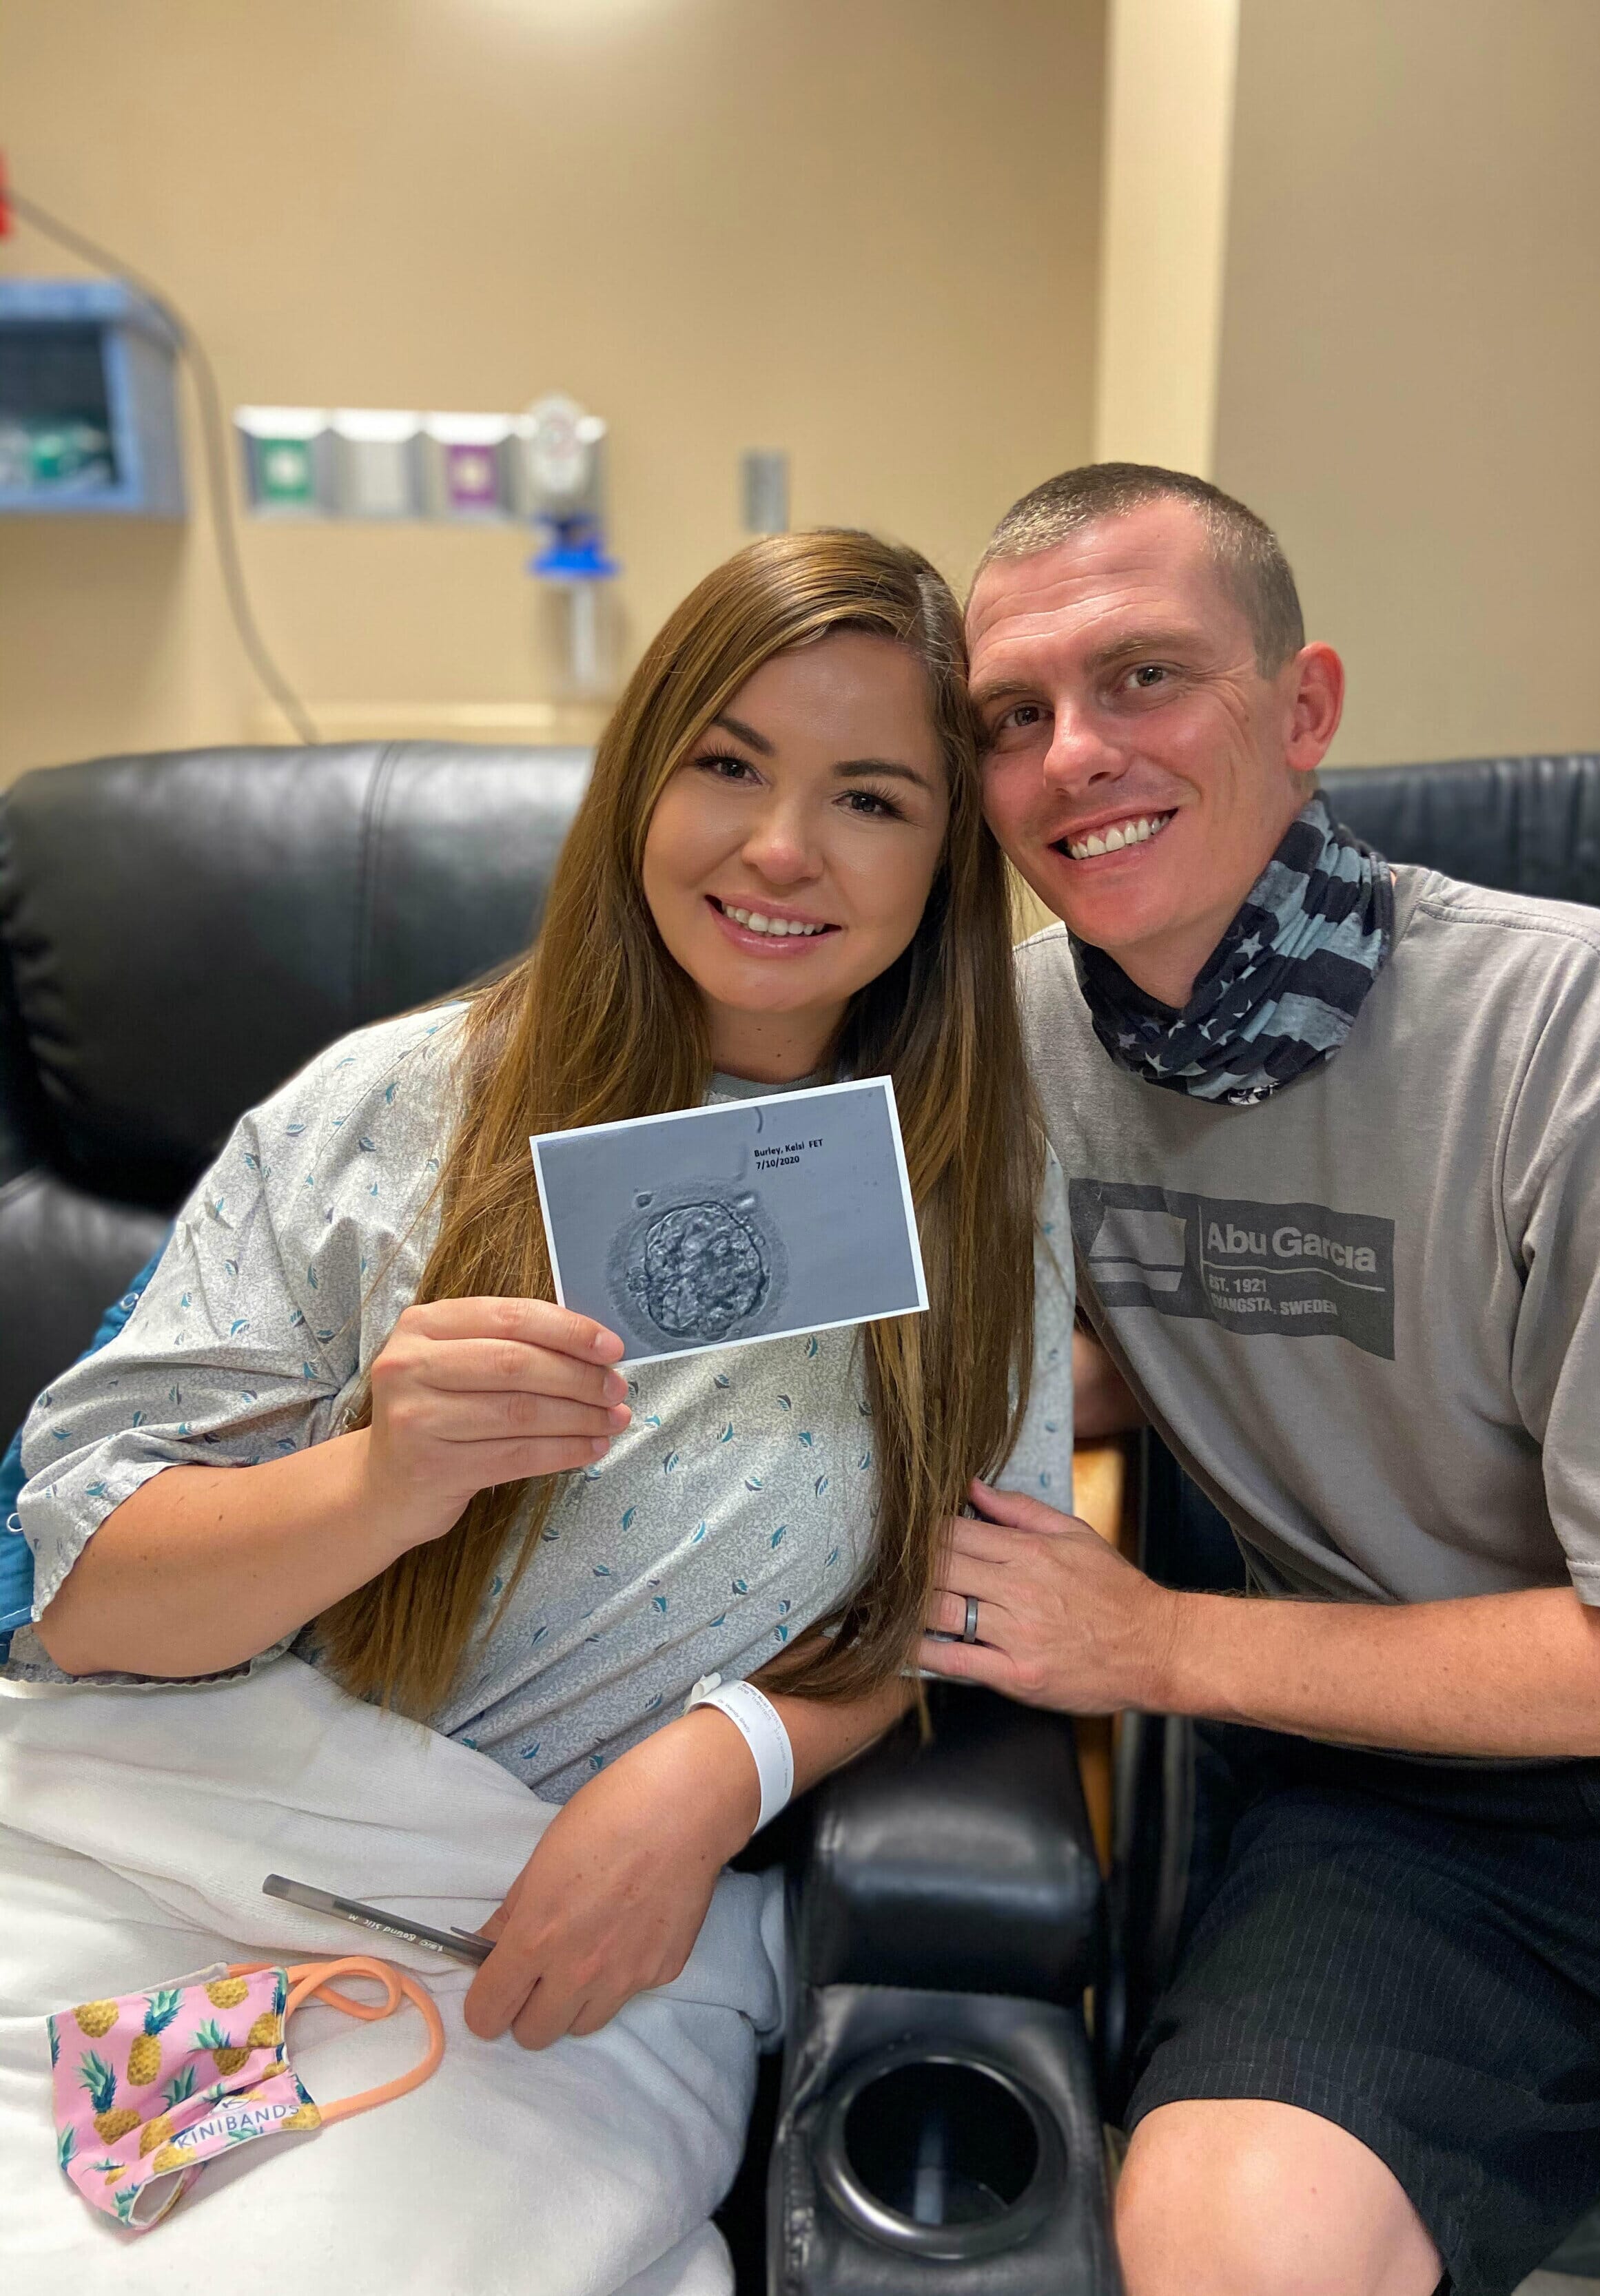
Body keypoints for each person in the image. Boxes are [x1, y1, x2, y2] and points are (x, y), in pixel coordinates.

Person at [2, 528, 1071, 2294]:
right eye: (726, 761)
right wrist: (376, 1478)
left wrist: (718, 1761)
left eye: (869, 797)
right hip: (142, 1849)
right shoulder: (390, 1106)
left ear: (947, 853)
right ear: (640, 773)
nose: (780, 846)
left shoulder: (974, 1187)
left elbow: (967, 1592)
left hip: (539, 1950)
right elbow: (81, 1592)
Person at [920, 462, 1600, 2296]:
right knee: (1220, 2249)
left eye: (1142, 678)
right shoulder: (1022, 1043)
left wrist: (1156, 1646)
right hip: (1416, 1820)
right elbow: (1146, 1333)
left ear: (1303, 711)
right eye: (1011, 717)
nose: (1072, 756)